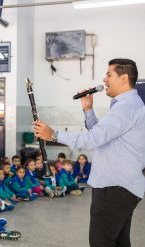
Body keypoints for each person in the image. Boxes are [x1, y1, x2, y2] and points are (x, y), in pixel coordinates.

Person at [33, 58, 145, 246]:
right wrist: (88, 110)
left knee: (101, 242)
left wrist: (53, 135)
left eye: (109, 74)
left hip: (114, 188)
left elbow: (93, 140)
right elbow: (102, 136)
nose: (104, 79)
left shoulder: (125, 108)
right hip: (122, 187)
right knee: (119, 241)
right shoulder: (128, 105)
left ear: (124, 78)